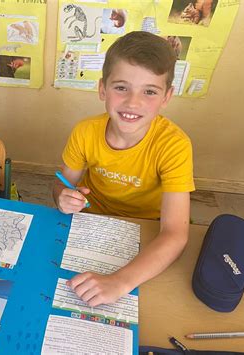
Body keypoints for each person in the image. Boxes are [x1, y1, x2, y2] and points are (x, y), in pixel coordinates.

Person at [53, 31, 195, 306]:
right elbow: (61, 183)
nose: (133, 102)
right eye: (121, 88)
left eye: (150, 91)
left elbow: (176, 233)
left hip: (149, 232)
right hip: (93, 225)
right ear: (102, 88)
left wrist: (121, 282)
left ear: (167, 96)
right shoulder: (84, 131)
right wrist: (62, 196)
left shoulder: (175, 145)